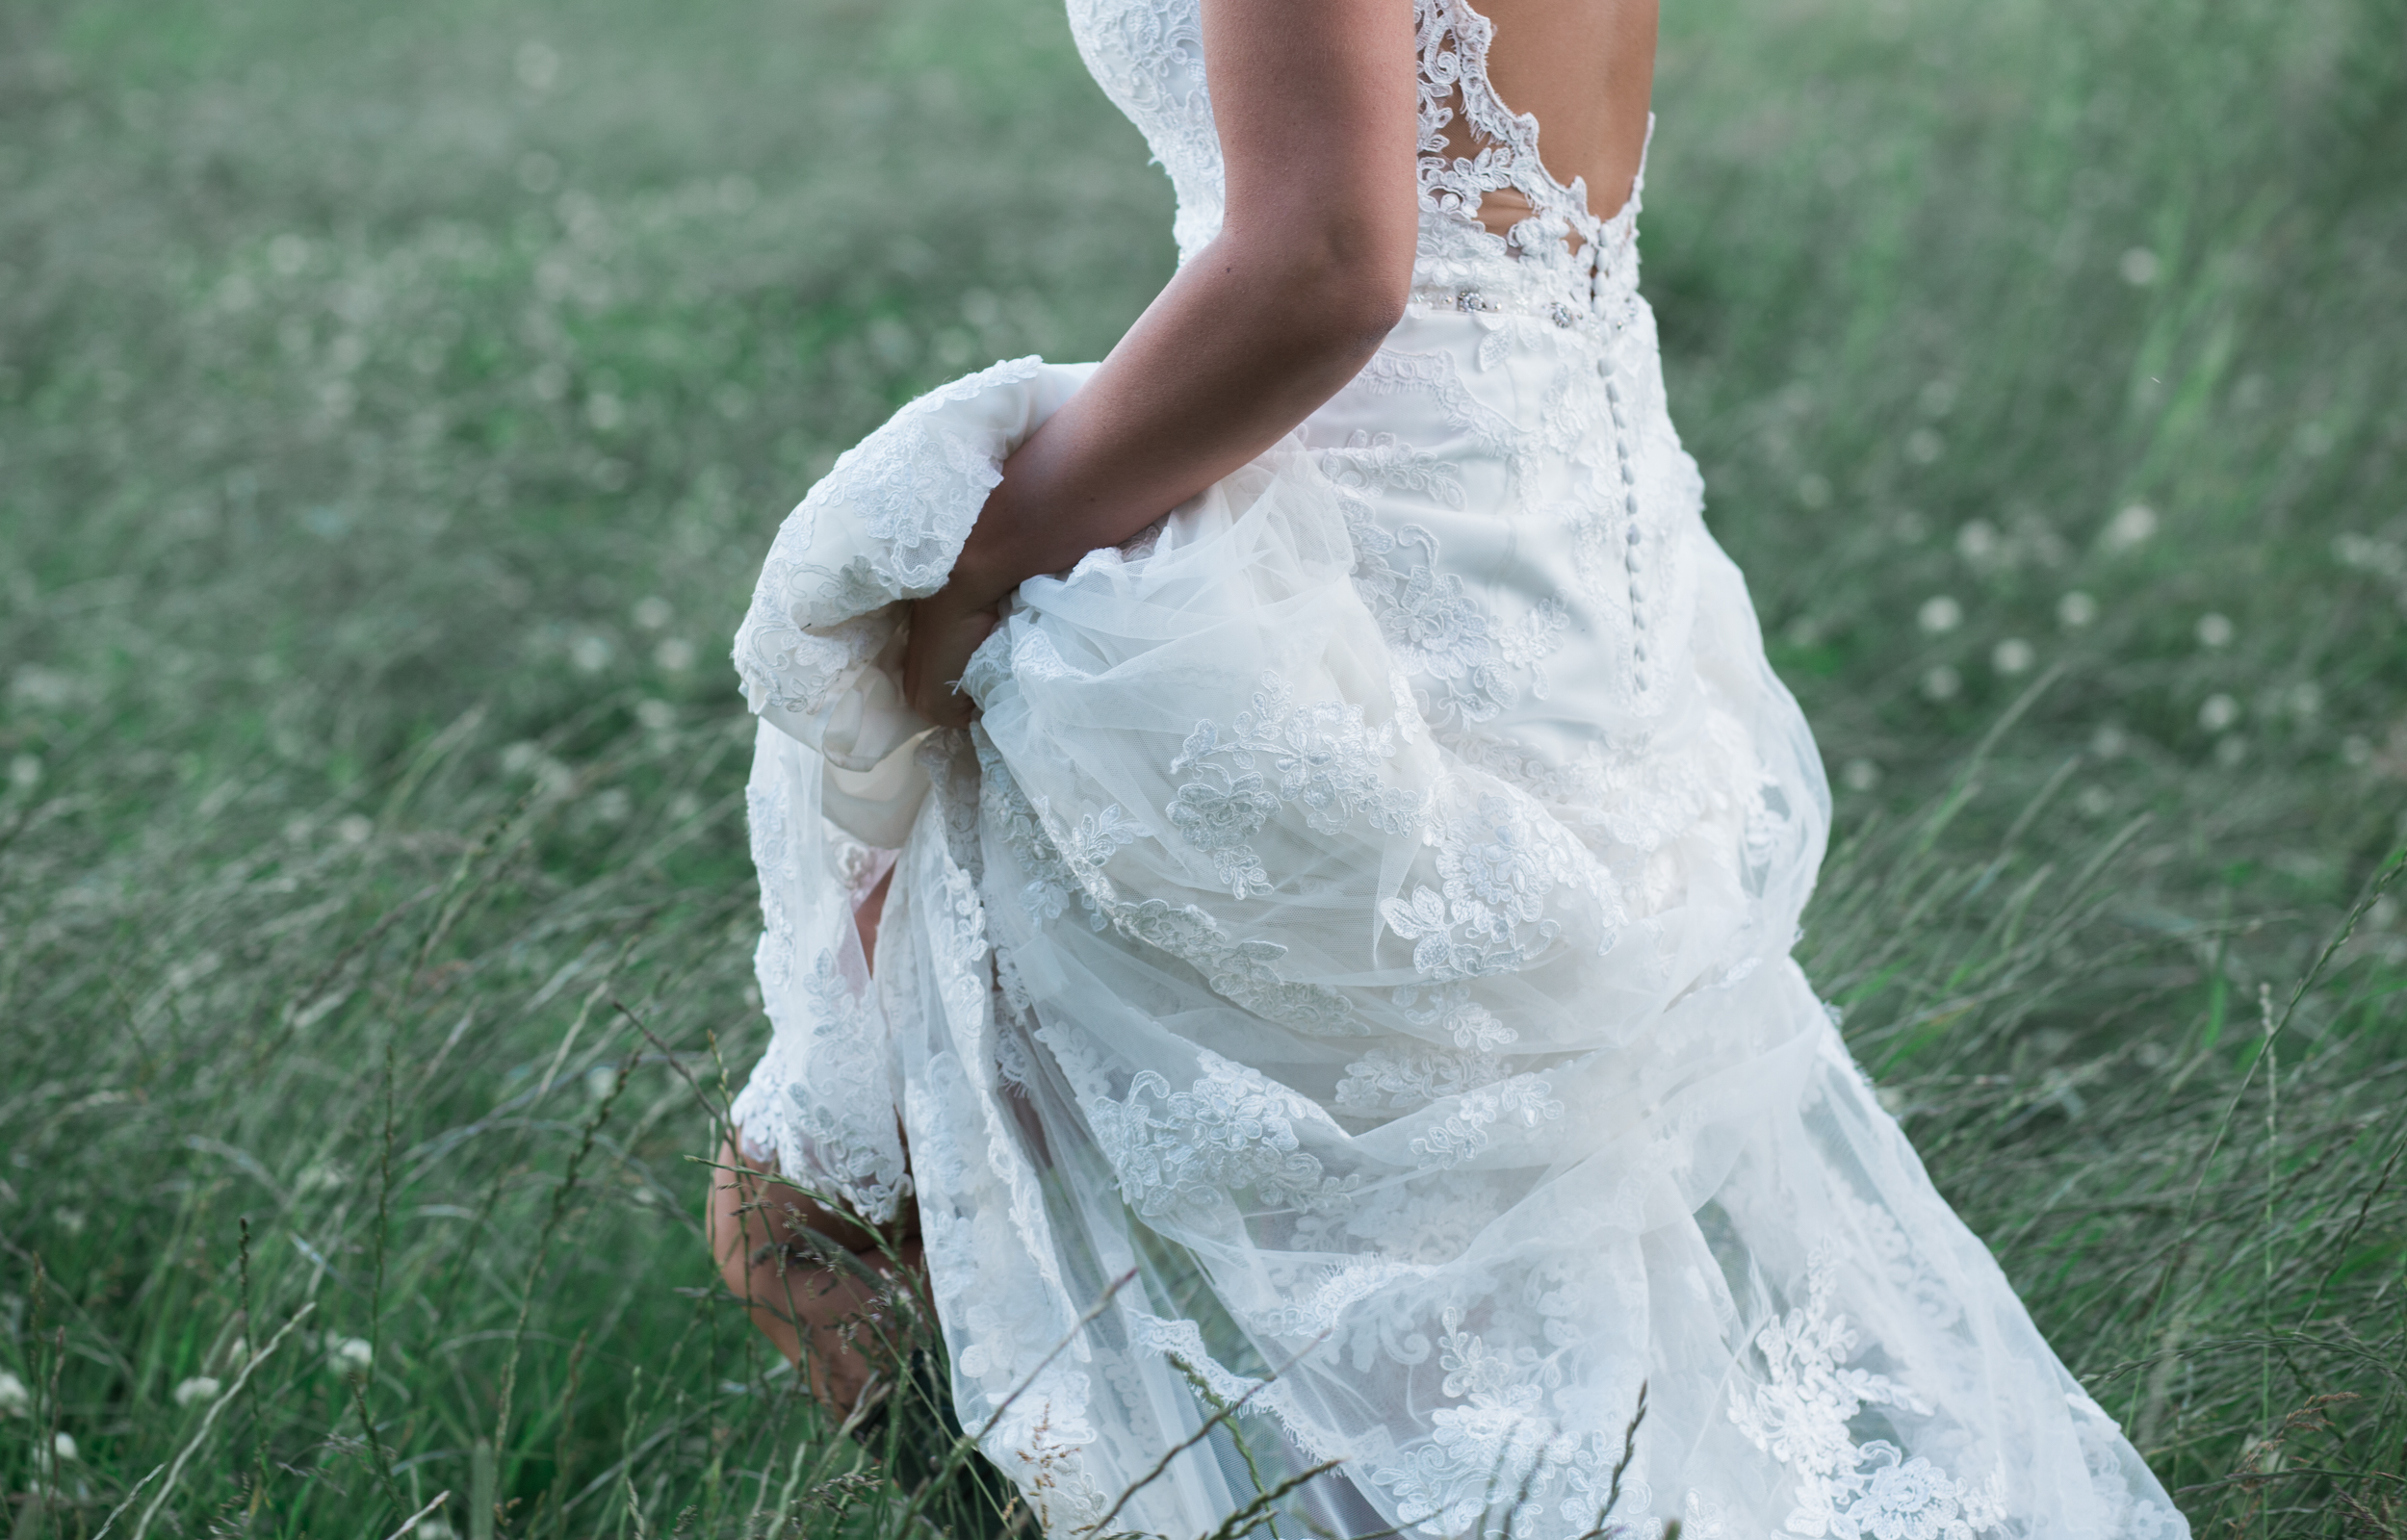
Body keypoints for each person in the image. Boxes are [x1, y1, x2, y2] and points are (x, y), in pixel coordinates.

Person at [706, 0, 2192, 1532]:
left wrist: (972, 585)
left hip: (1353, 616)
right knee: (1471, 1367)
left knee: (819, 1226)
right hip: (1568, 560)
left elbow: (1326, 266)